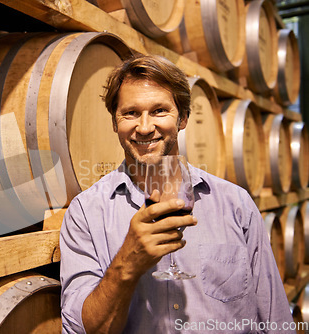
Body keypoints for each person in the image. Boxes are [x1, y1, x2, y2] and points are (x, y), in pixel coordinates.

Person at [59, 54, 295, 334]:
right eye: (130, 113)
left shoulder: (235, 204)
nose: (145, 127)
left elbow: (276, 319)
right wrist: (127, 263)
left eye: (159, 111)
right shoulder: (85, 213)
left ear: (182, 118)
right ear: (114, 122)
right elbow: (80, 330)